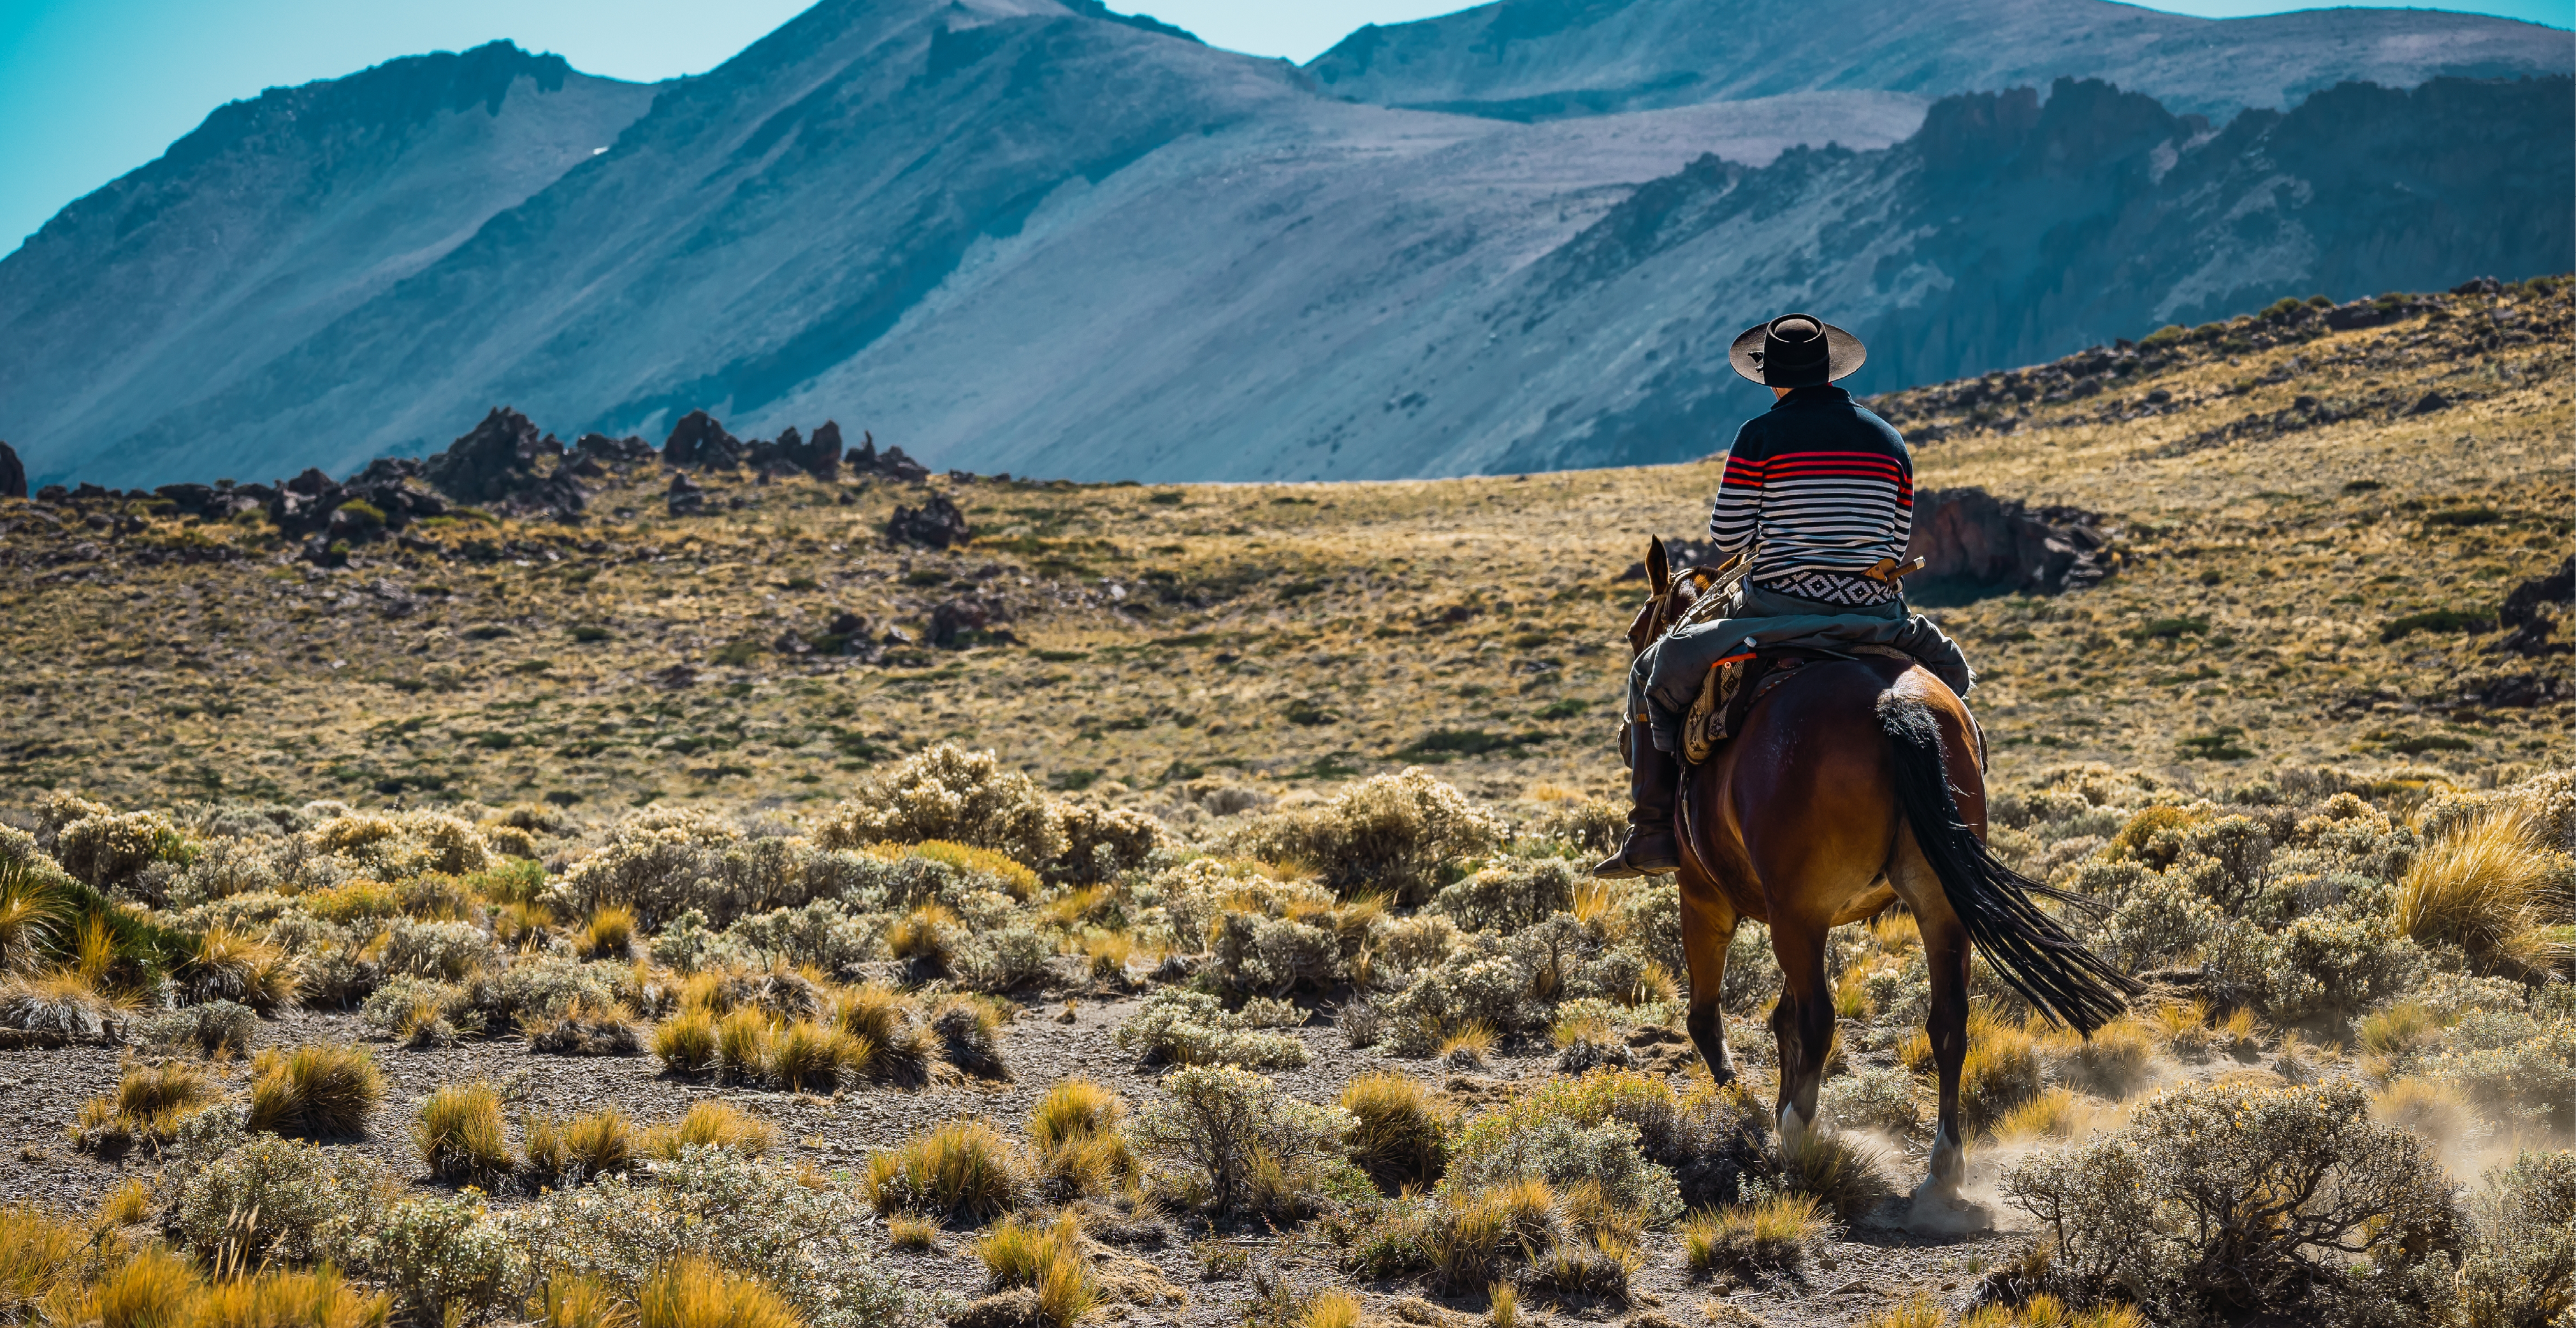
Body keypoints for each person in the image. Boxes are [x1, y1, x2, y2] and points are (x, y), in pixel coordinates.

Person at [1596, 313, 1938, 879]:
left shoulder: (1759, 436)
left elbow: (1727, 538)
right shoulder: (1890, 441)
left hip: (1777, 610)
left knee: (1652, 671)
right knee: (1952, 673)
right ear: (1830, 371)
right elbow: (1897, 538)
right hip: (1876, 615)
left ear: (1772, 379)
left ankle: (1654, 827)